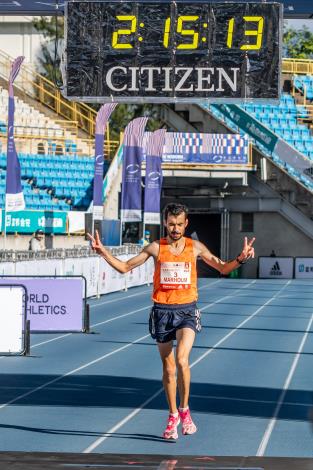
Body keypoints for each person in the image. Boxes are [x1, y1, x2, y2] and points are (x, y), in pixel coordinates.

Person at [88, 203, 255, 440]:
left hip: (187, 310)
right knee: (168, 369)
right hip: (162, 312)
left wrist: (240, 258)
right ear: (165, 223)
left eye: (179, 224)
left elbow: (222, 268)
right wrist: (102, 252)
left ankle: (185, 411)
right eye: (171, 224)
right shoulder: (156, 248)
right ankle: (172, 414)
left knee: (182, 359)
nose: (175, 229)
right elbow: (125, 268)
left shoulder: (195, 247)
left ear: (186, 224)